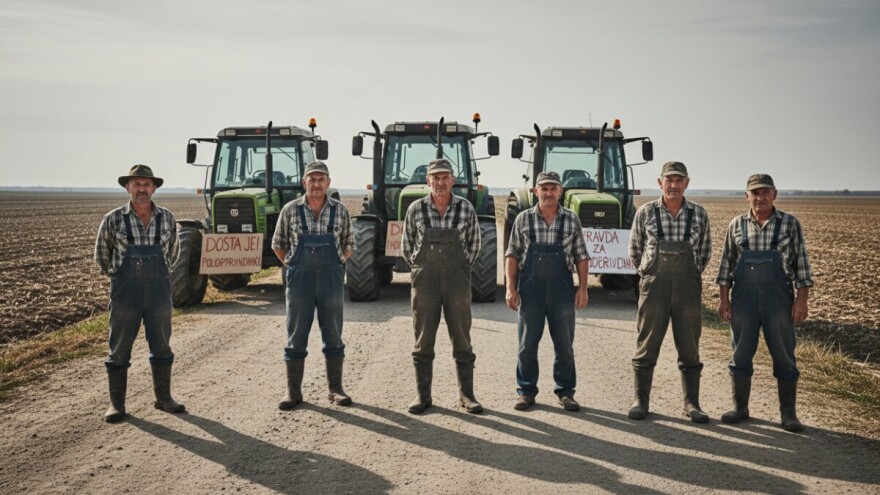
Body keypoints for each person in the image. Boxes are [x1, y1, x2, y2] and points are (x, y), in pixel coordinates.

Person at [716, 174, 813, 432]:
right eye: (755, 193)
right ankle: (740, 408)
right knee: (740, 353)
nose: (760, 198)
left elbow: (801, 264)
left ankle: (788, 414)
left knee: (783, 354)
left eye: (765, 192)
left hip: (778, 300)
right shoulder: (736, 225)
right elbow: (726, 265)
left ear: (774, 194)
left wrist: (801, 300)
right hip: (743, 299)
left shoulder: (789, 224)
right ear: (746, 196)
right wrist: (724, 300)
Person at [94, 164, 185, 423]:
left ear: (154, 188)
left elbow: (174, 253)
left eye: (146, 184)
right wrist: (119, 278)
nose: (142, 189)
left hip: (158, 290)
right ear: (127, 187)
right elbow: (101, 256)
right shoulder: (113, 219)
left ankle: (164, 399)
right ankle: (117, 405)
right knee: (119, 348)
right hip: (125, 293)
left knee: (162, 345)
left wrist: (159, 275)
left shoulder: (167, 218)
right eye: (137, 184)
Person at [628, 161, 712, 423]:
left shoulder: (699, 214)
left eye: (679, 180)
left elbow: (705, 252)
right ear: (660, 182)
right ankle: (640, 401)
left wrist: (689, 272)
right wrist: (649, 275)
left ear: (687, 183)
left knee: (689, 346)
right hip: (654, 287)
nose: (673, 185)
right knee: (647, 344)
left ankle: (691, 404)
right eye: (669, 180)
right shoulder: (646, 212)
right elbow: (635, 249)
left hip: (687, 288)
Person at [401, 158, 483, 414]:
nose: (440, 182)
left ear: (453, 180)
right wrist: (420, 266)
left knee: (461, 337)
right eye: (435, 178)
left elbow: (475, 244)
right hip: (424, 281)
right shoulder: (415, 209)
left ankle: (467, 396)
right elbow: (407, 246)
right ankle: (423, 396)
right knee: (423, 339)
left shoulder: (465, 208)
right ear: (428, 181)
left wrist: (460, 266)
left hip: (457, 280)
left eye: (445, 177)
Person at [505, 171, 590, 412]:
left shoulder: (571, 219)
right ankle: (526, 391)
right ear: (535, 191)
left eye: (553, 188)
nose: (549, 192)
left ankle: (565, 392)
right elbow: (512, 254)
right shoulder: (523, 219)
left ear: (560, 191)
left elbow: (581, 256)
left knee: (564, 344)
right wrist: (511, 288)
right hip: (530, 290)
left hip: (561, 290)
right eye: (544, 188)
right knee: (527, 345)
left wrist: (582, 288)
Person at [272, 161, 354, 410]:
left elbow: (349, 245)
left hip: (331, 280)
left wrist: (338, 262)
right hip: (299, 282)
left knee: (333, 334)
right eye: (312, 179)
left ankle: (336, 390)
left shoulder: (340, 210)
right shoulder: (290, 210)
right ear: (304, 182)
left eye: (321, 179)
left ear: (328, 182)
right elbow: (278, 244)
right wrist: (292, 264)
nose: (316, 184)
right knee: (296, 335)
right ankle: (293, 393)